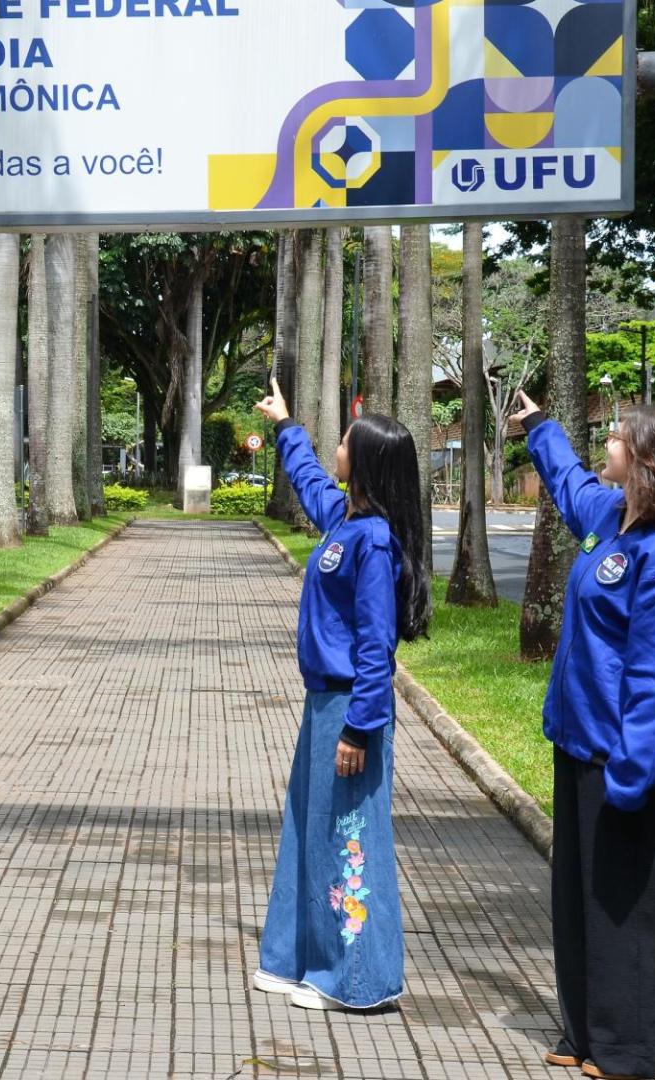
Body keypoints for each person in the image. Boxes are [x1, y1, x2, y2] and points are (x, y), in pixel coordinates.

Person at [511, 391, 655, 1080]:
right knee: (581, 895)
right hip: (576, 745)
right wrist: (539, 427)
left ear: (649, 459)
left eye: (618, 437)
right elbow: (567, 483)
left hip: (625, 759)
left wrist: (634, 772)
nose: (608, 443)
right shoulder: (610, 519)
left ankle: (638, 1051)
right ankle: (590, 1031)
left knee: (632, 906)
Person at [250, 377, 432, 1012]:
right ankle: (294, 958)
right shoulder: (344, 522)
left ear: (369, 459)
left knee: (350, 836)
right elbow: (310, 481)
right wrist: (285, 426)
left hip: (352, 707)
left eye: (347, 440)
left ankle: (355, 978)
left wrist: (360, 727)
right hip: (322, 703)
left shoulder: (375, 541)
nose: (339, 444)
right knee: (308, 827)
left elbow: (376, 646)